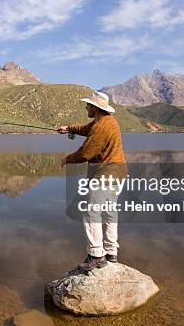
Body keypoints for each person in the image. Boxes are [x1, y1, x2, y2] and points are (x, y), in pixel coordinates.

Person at [58, 91, 127, 271]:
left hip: (105, 174)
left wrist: (67, 158)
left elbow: (86, 152)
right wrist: (70, 128)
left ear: (96, 108)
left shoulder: (102, 127)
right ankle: (112, 252)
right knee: (110, 212)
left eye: (88, 105)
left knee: (91, 212)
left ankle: (96, 255)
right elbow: (86, 129)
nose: (86, 107)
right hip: (118, 173)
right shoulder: (103, 122)